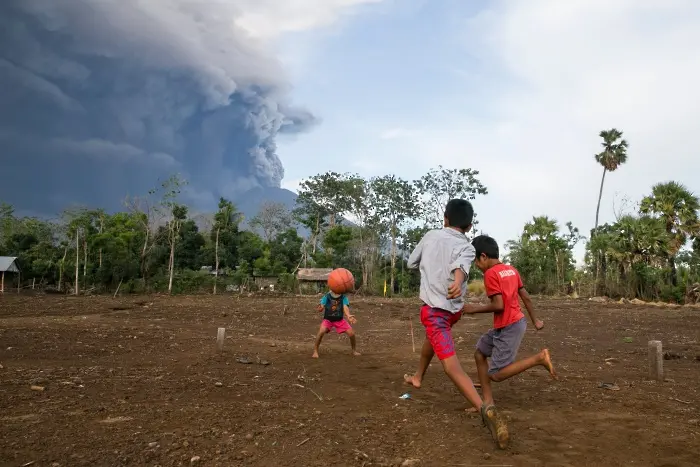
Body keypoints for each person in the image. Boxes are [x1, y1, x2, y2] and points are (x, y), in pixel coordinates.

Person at [403, 199, 509, 449]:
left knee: (451, 366)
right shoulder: (469, 247)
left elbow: (411, 263)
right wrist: (456, 280)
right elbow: (460, 267)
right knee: (433, 338)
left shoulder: (431, 236)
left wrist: (435, 268)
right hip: (454, 311)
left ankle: (485, 409)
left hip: (435, 311)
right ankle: (418, 377)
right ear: (470, 226)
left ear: (445, 218)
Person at [465, 234, 557, 411]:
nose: (476, 266)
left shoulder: (490, 274)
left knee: (497, 375)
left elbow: (498, 305)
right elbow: (526, 297)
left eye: (476, 261)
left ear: (483, 256)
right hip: (511, 323)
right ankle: (488, 402)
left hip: (510, 327)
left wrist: (473, 308)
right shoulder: (511, 269)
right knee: (479, 353)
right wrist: (535, 320)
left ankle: (539, 359)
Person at [312, 290, 360, 358]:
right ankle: (315, 351)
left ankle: (354, 351)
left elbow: (345, 307)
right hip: (328, 320)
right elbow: (321, 306)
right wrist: (320, 308)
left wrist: (348, 315)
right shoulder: (327, 296)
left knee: (351, 333)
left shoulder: (343, 297)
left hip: (339, 320)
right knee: (321, 331)